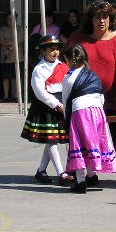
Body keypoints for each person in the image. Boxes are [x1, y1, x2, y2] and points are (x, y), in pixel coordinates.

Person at [66, 0, 116, 185]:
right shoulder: (78, 38)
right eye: (97, 17)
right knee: (86, 137)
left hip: (113, 100)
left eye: (105, 17)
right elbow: (67, 62)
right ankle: (88, 176)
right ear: (90, 19)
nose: (102, 20)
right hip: (86, 102)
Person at [62, 44, 116, 194]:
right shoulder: (93, 75)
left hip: (80, 112)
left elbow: (66, 99)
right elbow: (101, 97)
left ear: (69, 60)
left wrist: (66, 119)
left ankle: (80, 182)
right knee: (93, 143)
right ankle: (92, 175)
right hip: (98, 112)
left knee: (79, 145)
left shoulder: (69, 77)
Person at [20, 35, 74, 186]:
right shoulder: (39, 69)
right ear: (43, 51)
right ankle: (61, 173)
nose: (55, 52)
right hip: (46, 107)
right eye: (51, 49)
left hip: (61, 104)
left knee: (52, 139)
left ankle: (41, 171)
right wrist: (57, 105)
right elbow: (40, 92)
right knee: (51, 140)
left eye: (57, 48)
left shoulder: (63, 65)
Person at [0, 13, 23, 101]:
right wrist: (13, 42)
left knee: (17, 77)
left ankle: (17, 96)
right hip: (5, 57)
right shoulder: (3, 29)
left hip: (17, 57)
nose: (10, 20)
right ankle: (5, 96)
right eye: (8, 18)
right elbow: (1, 40)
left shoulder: (20, 29)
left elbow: (20, 40)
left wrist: (9, 44)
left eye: (12, 18)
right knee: (5, 77)